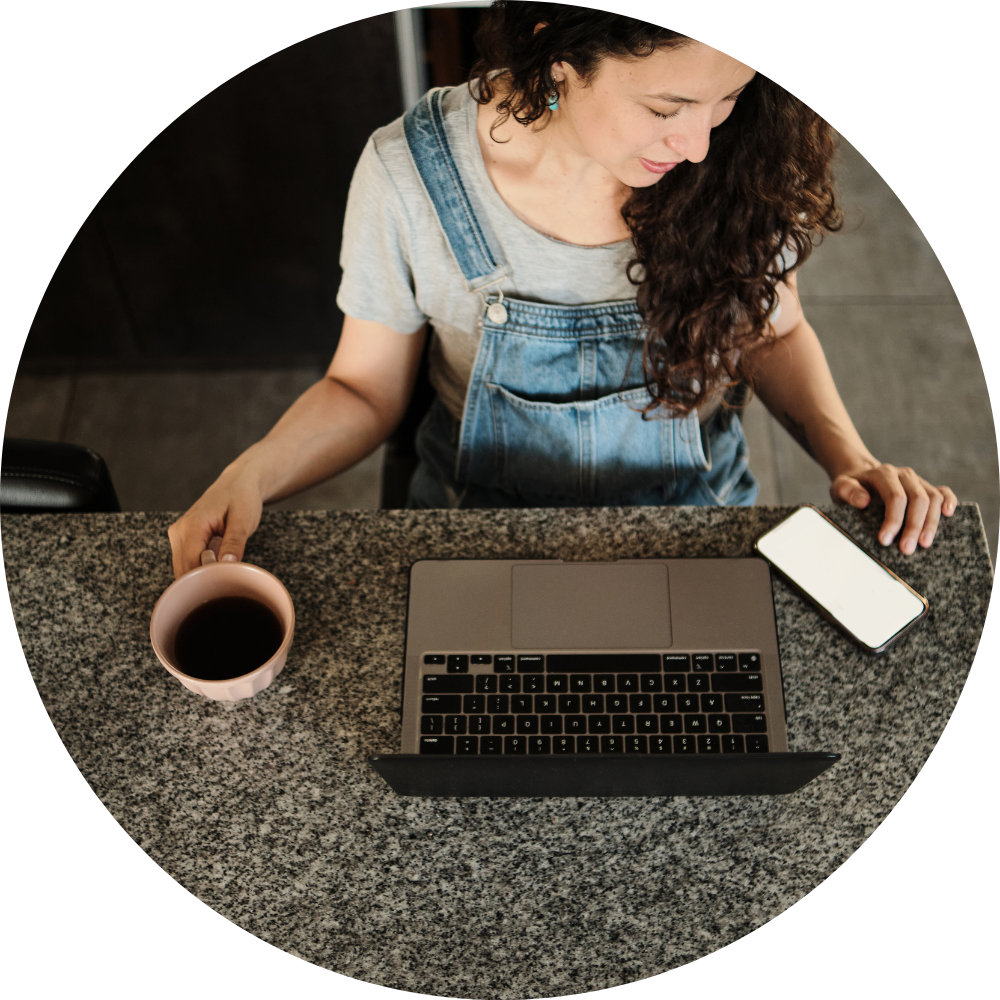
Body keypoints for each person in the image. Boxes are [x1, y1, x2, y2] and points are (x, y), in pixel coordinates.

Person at [168, 2, 956, 579]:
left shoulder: (743, 160)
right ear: (558, 53)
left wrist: (850, 458)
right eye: (665, 107)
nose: (698, 143)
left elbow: (772, 331)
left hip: (695, 523)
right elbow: (361, 387)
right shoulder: (410, 175)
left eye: (727, 99)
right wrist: (254, 472)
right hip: (472, 540)